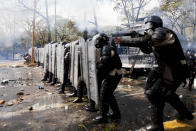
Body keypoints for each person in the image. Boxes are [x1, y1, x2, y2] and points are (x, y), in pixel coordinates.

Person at [114, 15, 194, 131]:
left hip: (175, 71)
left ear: (155, 24)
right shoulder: (155, 37)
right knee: (168, 95)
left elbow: (148, 40)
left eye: (148, 25)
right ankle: (186, 114)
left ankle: (157, 126)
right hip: (169, 70)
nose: (147, 28)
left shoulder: (162, 32)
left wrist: (123, 40)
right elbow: (146, 49)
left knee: (154, 94)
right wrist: (135, 36)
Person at [92, 33, 122, 123]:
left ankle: (103, 117)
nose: (96, 42)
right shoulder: (106, 47)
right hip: (114, 74)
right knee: (109, 94)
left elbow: (103, 65)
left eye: (97, 40)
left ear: (100, 40)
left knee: (104, 95)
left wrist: (96, 64)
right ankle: (116, 113)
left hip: (113, 75)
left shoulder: (106, 49)